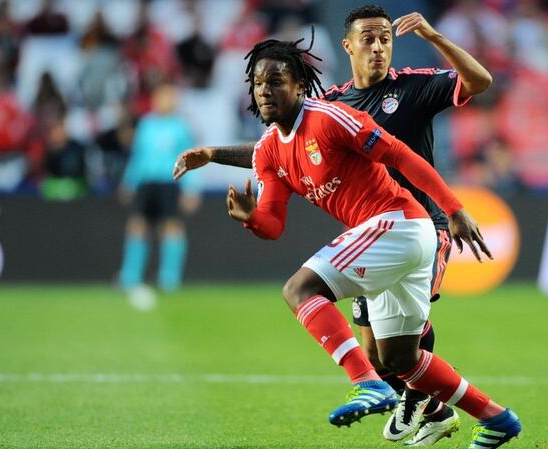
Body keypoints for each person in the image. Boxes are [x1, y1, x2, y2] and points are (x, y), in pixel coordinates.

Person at [174, 5, 493, 446]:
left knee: (400, 340)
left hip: (422, 222)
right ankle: (437, 405)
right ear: (348, 46)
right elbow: (279, 143)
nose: (378, 47)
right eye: (368, 38)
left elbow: (479, 83)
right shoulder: (333, 104)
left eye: (385, 38)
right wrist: (214, 154)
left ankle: (423, 399)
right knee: (377, 354)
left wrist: (436, 38)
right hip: (368, 230)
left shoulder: (414, 87)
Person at [119, 83, 200, 310]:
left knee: (171, 227)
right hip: (146, 182)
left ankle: (169, 279)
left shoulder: (180, 127)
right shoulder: (146, 125)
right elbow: (138, 156)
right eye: (162, 96)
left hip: (169, 182)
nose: (166, 100)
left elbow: (190, 159)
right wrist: (129, 182)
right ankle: (130, 276)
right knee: (137, 225)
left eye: (170, 96)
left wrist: (191, 188)